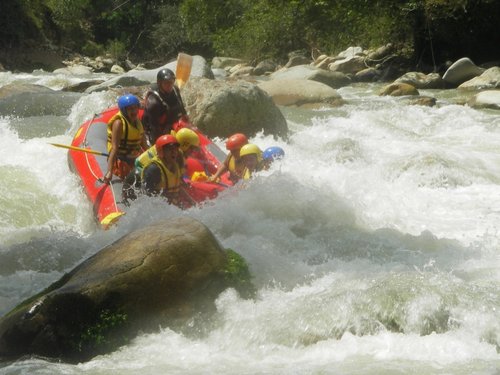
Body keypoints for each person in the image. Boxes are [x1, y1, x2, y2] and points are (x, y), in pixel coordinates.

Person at [103, 94, 147, 184]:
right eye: (130, 109)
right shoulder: (119, 124)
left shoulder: (138, 123)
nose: (134, 111)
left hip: (134, 159)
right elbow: (114, 148)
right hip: (121, 160)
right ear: (124, 110)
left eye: (135, 108)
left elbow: (145, 146)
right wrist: (109, 172)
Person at [142, 68, 188, 145]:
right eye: (166, 83)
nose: (169, 85)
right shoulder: (153, 102)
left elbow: (181, 107)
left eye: (171, 82)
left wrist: (187, 123)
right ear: (160, 84)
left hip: (170, 123)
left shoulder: (175, 89)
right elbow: (154, 128)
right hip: (155, 129)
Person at [141, 134, 188, 206]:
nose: (174, 152)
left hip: (171, 207)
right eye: (170, 149)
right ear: (161, 152)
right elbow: (146, 198)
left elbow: (178, 188)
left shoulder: (176, 164)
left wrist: (193, 203)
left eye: (175, 149)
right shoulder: (154, 169)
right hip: (158, 208)